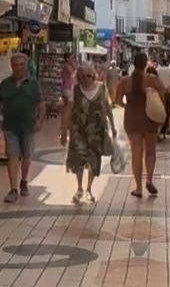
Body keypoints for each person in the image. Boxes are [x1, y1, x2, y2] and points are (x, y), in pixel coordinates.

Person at [115, 51, 164, 198]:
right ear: (145, 64)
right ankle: (149, 179)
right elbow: (163, 94)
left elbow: (117, 100)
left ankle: (138, 188)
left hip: (132, 119)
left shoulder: (125, 81)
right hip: (150, 118)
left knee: (136, 154)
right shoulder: (152, 79)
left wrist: (128, 106)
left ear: (133, 63)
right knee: (151, 151)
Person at [0, 53, 44, 202]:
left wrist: (39, 120)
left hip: (28, 126)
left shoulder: (33, 84)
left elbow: (41, 105)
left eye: (21, 65)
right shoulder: (5, 84)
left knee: (27, 156)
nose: (18, 68)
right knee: (12, 156)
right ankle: (13, 189)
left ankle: (24, 180)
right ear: (11, 66)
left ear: (25, 66)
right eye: (15, 65)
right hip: (10, 126)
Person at [66, 61, 116, 204]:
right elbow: (69, 109)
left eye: (89, 76)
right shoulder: (75, 89)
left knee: (94, 159)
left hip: (96, 130)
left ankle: (89, 189)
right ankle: (79, 188)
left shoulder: (101, 88)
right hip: (78, 130)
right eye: (82, 76)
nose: (86, 79)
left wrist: (112, 126)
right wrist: (64, 130)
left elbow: (107, 107)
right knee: (78, 160)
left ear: (94, 76)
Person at [59, 53, 77, 145]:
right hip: (68, 88)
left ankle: (64, 125)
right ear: (67, 58)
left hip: (66, 87)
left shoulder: (66, 66)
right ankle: (65, 126)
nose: (72, 59)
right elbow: (73, 72)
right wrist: (74, 65)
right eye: (71, 57)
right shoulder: (67, 66)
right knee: (69, 107)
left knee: (66, 107)